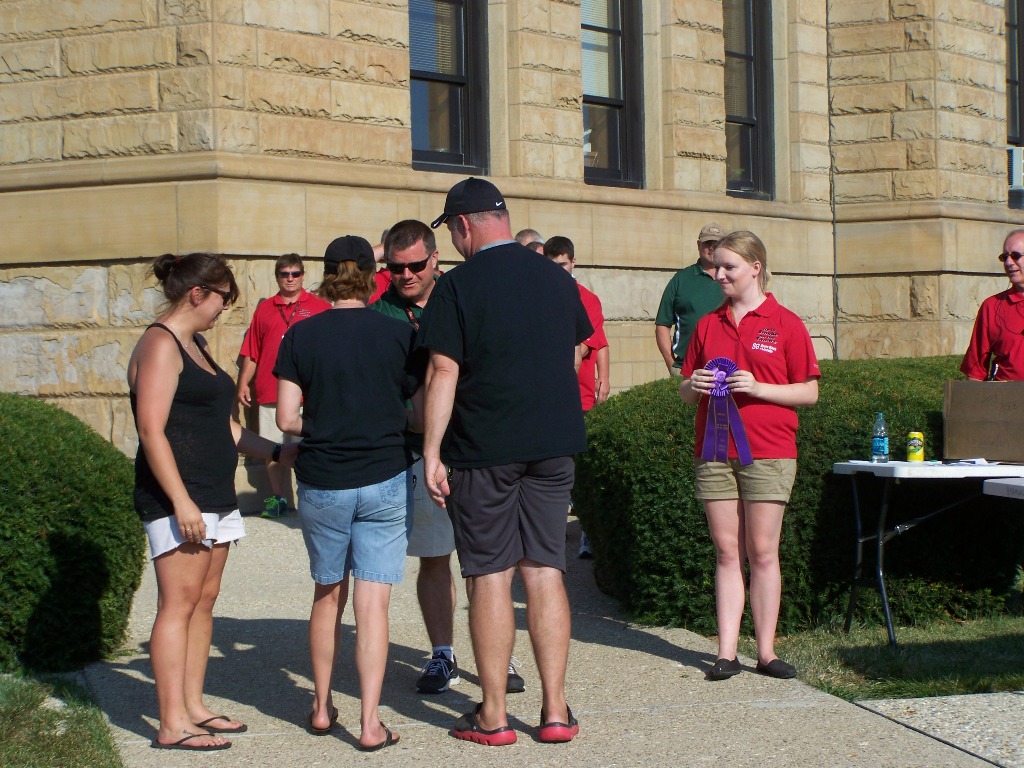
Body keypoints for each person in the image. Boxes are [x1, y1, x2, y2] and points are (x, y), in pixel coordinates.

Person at [419, 177, 592, 746]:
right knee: (544, 569)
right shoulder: (557, 277)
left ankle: (493, 715)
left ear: (462, 225)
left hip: (484, 447)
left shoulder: (457, 285)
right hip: (553, 442)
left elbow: (443, 370)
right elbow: (576, 347)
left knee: (490, 573)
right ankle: (555, 710)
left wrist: (431, 451)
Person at [129, 252, 296, 751]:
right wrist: (181, 502)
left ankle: (193, 706)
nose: (226, 308)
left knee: (203, 602)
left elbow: (220, 425)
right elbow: (151, 430)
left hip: (214, 492)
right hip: (180, 496)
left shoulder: (195, 344)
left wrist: (278, 452)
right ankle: (171, 723)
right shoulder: (160, 344)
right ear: (197, 293)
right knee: (177, 604)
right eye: (225, 298)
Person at [275, 235, 422, 752]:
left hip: (322, 478)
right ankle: (370, 722)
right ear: (370, 275)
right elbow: (419, 412)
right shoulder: (398, 334)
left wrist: (324, 423)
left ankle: (320, 707)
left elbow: (285, 418)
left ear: (325, 275)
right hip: (383, 474)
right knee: (372, 604)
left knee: (327, 594)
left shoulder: (300, 334)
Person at [373, 220, 527, 695]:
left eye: (416, 265)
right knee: (435, 556)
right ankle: (443, 654)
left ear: (435, 258)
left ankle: (498, 655)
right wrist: (408, 420)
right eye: (396, 267)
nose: (406, 275)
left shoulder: (464, 293)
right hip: (419, 450)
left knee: (490, 561)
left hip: (480, 445)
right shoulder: (380, 315)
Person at [677, 230, 820, 682]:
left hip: (769, 450)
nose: (719, 274)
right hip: (714, 450)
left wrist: (759, 388)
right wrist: (693, 385)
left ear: (755, 268)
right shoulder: (707, 325)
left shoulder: (786, 323)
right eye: (716, 266)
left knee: (762, 551)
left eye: (729, 266)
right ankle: (726, 653)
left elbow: (809, 392)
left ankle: (766, 651)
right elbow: (685, 389)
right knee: (726, 551)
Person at [235, 254, 330, 517]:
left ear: (303, 275)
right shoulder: (265, 309)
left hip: (308, 393)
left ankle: (309, 498)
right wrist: (243, 383)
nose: (290, 279)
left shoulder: (320, 307)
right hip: (270, 389)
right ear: (277, 277)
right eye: (284, 274)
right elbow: (252, 351)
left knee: (308, 449)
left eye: (295, 273)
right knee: (273, 449)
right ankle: (278, 499)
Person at [543, 235, 610, 559]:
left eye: (563, 265)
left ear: (573, 263)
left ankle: (587, 534)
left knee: (582, 468)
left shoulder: (587, 298)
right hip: (547, 398)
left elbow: (592, 344)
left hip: (580, 396)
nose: (559, 271)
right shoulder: (539, 296)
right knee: (552, 469)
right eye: (552, 266)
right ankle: (552, 533)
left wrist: (604, 379)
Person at [655, 222, 727, 375]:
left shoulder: (733, 278)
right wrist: (671, 364)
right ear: (699, 245)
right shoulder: (681, 279)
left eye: (717, 244)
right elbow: (662, 324)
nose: (712, 248)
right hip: (687, 368)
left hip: (727, 366)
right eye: (708, 243)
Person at [960, 228, 1024, 380]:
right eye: (1005, 257)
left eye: (1015, 256)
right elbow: (976, 370)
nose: (1008, 262)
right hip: (1005, 393)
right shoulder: (992, 306)